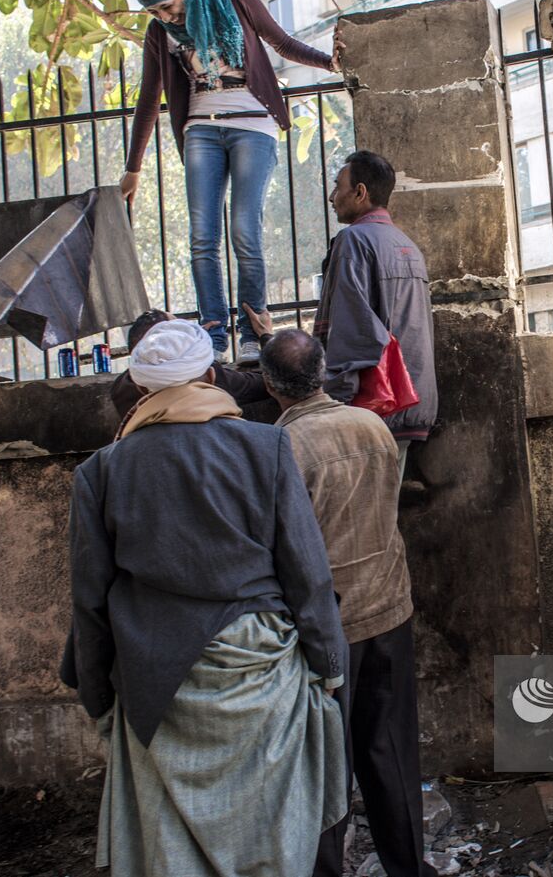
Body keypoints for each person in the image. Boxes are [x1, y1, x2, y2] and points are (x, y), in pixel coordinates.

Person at [62, 319, 348, 877]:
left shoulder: (100, 472)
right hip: (261, 668)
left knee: (171, 845)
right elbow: (306, 571)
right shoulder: (265, 446)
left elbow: (89, 602)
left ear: (141, 390)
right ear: (211, 375)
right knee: (271, 824)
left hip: (153, 676)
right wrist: (327, 663)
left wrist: (97, 696)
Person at [257, 328, 432, 877]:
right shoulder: (372, 426)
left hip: (327, 629)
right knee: (391, 753)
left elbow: (282, 548)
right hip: (389, 607)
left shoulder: (279, 448)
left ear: (267, 384)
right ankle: (409, 866)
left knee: (324, 769)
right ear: (325, 369)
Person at [121, 0, 343, 363]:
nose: (164, 17)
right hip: (200, 130)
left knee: (245, 229)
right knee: (202, 237)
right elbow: (149, 101)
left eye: (167, 6)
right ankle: (214, 336)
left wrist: (329, 63)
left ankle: (252, 331)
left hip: (252, 126)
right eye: (154, 11)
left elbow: (282, 42)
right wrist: (133, 168)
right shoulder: (158, 33)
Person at [316, 150, 437, 473]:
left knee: (361, 518)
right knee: (384, 515)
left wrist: (335, 400)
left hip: (374, 405)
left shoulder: (353, 241)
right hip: (413, 402)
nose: (332, 197)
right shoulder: (408, 245)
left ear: (360, 192)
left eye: (337, 186)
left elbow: (352, 330)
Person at [109, 306, 274, 418]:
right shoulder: (206, 375)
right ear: (210, 377)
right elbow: (268, 382)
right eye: (179, 330)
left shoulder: (121, 387)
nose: (184, 332)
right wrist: (266, 336)